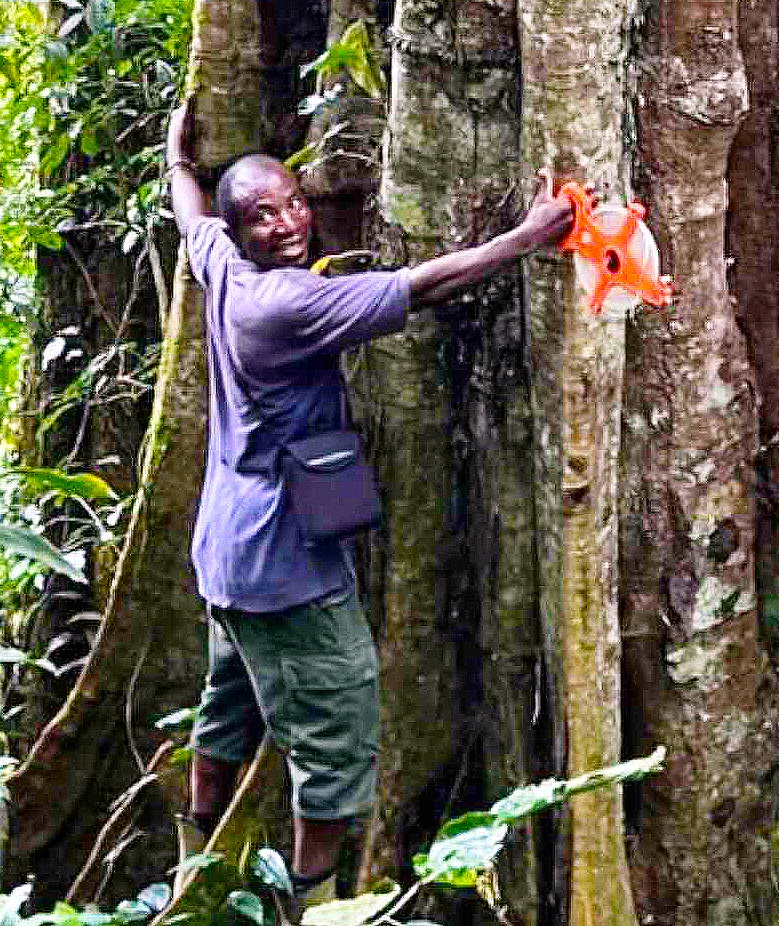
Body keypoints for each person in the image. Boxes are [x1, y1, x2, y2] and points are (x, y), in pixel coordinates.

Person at [162, 99, 574, 908]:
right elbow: (423, 287)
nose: (286, 226)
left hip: (230, 553)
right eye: (262, 218)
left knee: (228, 706)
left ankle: (193, 865)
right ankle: (312, 904)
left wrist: (178, 161)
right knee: (338, 732)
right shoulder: (283, 307)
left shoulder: (220, 262)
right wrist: (529, 236)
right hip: (286, 571)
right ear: (241, 231)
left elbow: (190, 216)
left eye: (292, 205)